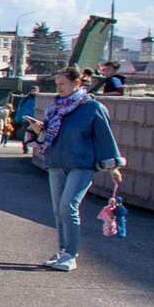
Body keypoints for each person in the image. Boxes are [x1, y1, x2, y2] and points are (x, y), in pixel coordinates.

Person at [33, 66, 123, 270]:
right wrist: (41, 130)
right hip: (56, 163)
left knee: (68, 207)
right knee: (58, 210)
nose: (59, 88)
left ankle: (71, 255)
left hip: (81, 165)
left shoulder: (92, 108)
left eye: (62, 84)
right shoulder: (55, 108)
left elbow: (105, 138)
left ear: (77, 83)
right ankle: (62, 251)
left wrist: (113, 166)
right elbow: (49, 136)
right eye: (57, 84)